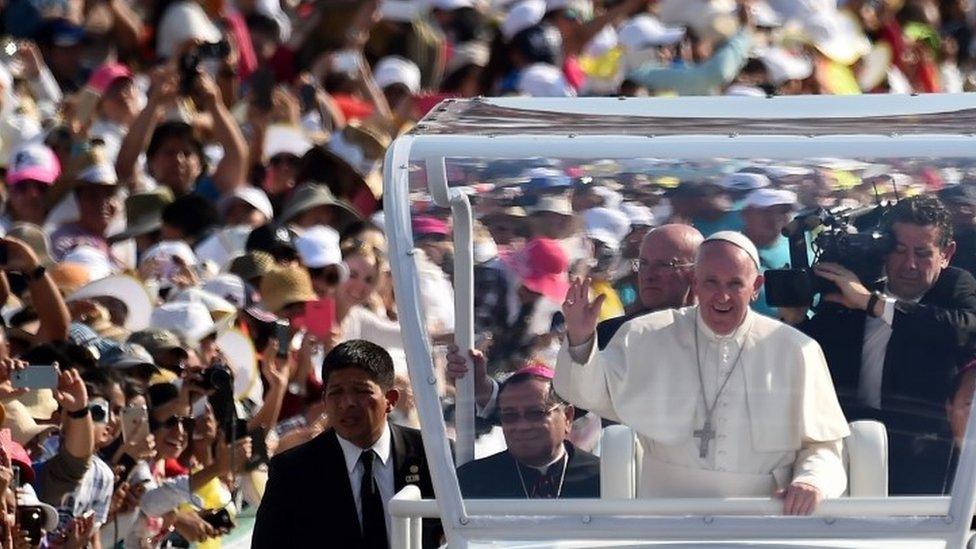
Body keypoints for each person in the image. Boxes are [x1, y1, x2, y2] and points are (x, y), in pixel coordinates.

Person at [556, 231, 849, 514]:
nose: (722, 296)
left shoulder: (796, 350)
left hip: (763, 517)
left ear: (756, 285)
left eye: (735, 283)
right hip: (665, 517)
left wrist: (811, 481)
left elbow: (824, 446)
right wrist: (581, 340)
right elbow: (587, 393)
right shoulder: (646, 334)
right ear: (695, 282)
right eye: (711, 282)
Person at [800, 195, 976, 494]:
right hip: (849, 439)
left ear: (946, 253)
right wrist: (794, 321)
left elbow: (964, 330)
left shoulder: (955, 286)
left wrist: (874, 305)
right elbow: (815, 351)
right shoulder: (858, 283)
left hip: (922, 452)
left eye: (923, 253)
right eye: (898, 250)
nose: (909, 264)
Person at [253, 340, 441, 548]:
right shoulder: (293, 471)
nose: (347, 403)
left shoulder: (432, 456)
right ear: (324, 400)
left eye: (361, 391)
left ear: (390, 399)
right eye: (336, 393)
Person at [457, 363, 599, 499]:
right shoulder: (471, 480)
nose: (522, 426)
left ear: (567, 417)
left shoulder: (602, 477)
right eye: (510, 416)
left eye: (536, 413)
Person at [597, 224, 703, 348]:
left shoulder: (716, 336)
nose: (649, 275)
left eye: (663, 265)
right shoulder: (611, 336)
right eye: (643, 264)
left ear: (697, 272)